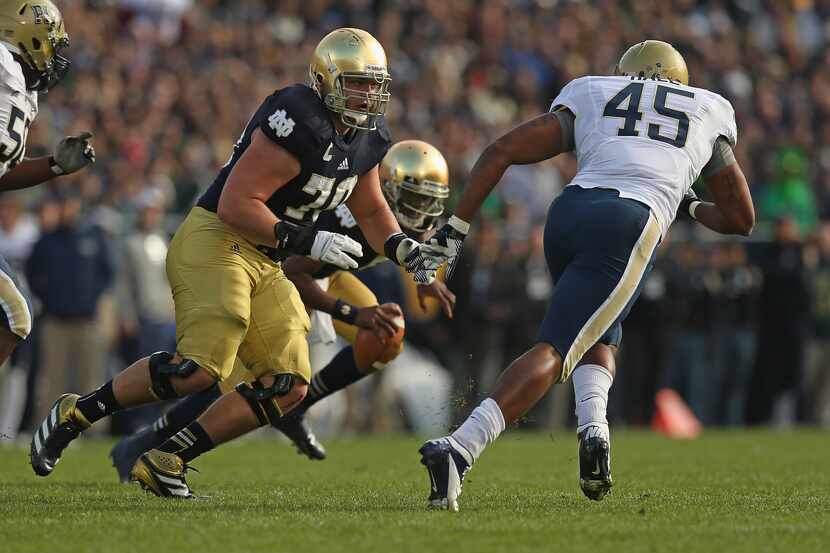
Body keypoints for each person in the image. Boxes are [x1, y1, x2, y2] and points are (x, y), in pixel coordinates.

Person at [29, 28, 437, 498]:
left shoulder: (369, 137)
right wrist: (306, 239)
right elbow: (237, 203)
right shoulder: (299, 117)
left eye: (374, 84)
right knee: (198, 370)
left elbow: (370, 209)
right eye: (356, 83)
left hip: (268, 259)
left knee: (287, 386)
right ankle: (77, 413)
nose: (367, 94)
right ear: (326, 81)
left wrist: (404, 249)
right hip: (218, 238)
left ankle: (168, 459)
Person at [416, 40, 755, 510]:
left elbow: (499, 151)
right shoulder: (706, 108)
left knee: (596, 329)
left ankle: (595, 432)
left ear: (623, 74)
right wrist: (689, 202)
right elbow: (741, 218)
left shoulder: (594, 91)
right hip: (630, 222)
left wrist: (455, 230)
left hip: (568, 214)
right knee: (556, 348)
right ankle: (461, 447)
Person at [108, 140, 456, 480]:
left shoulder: (397, 217)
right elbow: (294, 272)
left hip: (325, 274)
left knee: (387, 332)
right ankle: (148, 439)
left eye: (429, 202)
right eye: (414, 201)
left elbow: (405, 242)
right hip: (276, 274)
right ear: (387, 190)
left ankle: (297, 411)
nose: (422, 214)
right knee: (237, 383)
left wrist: (423, 276)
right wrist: (352, 314)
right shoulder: (352, 215)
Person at [0, 1, 96, 374]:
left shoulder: (17, 84)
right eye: (52, 42)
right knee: (13, 315)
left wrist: (53, 166)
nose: (55, 54)